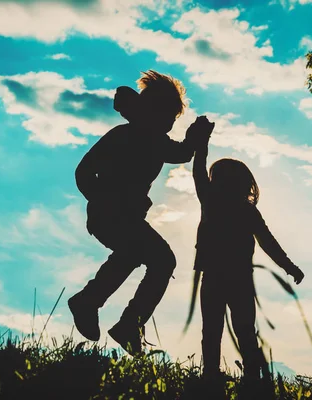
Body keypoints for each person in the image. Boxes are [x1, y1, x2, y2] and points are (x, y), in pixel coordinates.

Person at [68, 70, 214, 355]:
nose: (170, 123)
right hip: (110, 215)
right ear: (153, 112)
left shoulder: (150, 138)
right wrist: (101, 198)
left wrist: (196, 138)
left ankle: (95, 305)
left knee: (133, 255)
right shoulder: (132, 135)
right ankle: (123, 321)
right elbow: (84, 171)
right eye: (169, 116)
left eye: (173, 119)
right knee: (161, 260)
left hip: (120, 217)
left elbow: (181, 153)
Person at [191, 129, 305, 383]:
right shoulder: (245, 210)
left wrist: (202, 144)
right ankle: (248, 375)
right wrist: (289, 267)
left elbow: (198, 171)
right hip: (240, 279)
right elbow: (269, 243)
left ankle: (214, 374)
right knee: (242, 329)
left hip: (218, 277)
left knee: (214, 330)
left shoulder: (212, 201)